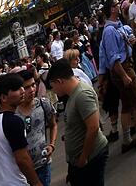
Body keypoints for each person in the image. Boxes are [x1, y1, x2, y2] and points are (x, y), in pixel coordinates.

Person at [97, 0, 136, 152]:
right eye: (116, 4)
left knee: (127, 105)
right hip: (122, 68)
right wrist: (123, 75)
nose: (119, 6)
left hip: (125, 65)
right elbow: (112, 57)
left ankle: (127, 139)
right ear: (112, 9)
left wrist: (133, 41)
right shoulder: (109, 31)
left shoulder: (118, 26)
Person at [45, 58, 108, 186]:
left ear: (59, 81)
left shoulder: (82, 94)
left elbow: (94, 127)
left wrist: (83, 158)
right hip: (80, 159)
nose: (54, 92)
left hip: (90, 157)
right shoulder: (73, 94)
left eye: (53, 87)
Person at [0, 73, 39, 186]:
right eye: (16, 89)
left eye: (21, 87)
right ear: (3, 98)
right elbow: (22, 159)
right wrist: (37, 183)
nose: (22, 91)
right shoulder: (14, 122)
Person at [16, 70, 56, 186]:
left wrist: (52, 145)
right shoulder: (13, 114)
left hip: (44, 163)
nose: (32, 90)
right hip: (23, 170)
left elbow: (53, 125)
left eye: (33, 85)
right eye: (27, 87)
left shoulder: (44, 104)